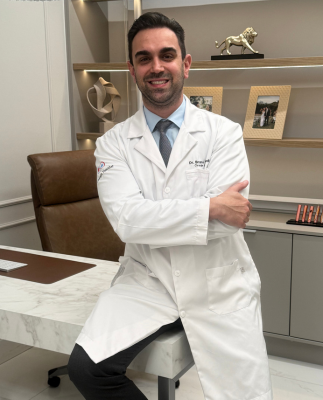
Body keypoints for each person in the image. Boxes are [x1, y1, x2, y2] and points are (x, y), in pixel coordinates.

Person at [68, 11, 273, 400]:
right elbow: (127, 222)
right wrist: (210, 207)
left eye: (167, 55)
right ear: (132, 69)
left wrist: (160, 218)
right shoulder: (113, 144)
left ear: (186, 63)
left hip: (217, 281)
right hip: (148, 280)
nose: (156, 67)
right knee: (87, 369)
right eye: (144, 58)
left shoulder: (223, 134)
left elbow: (229, 222)